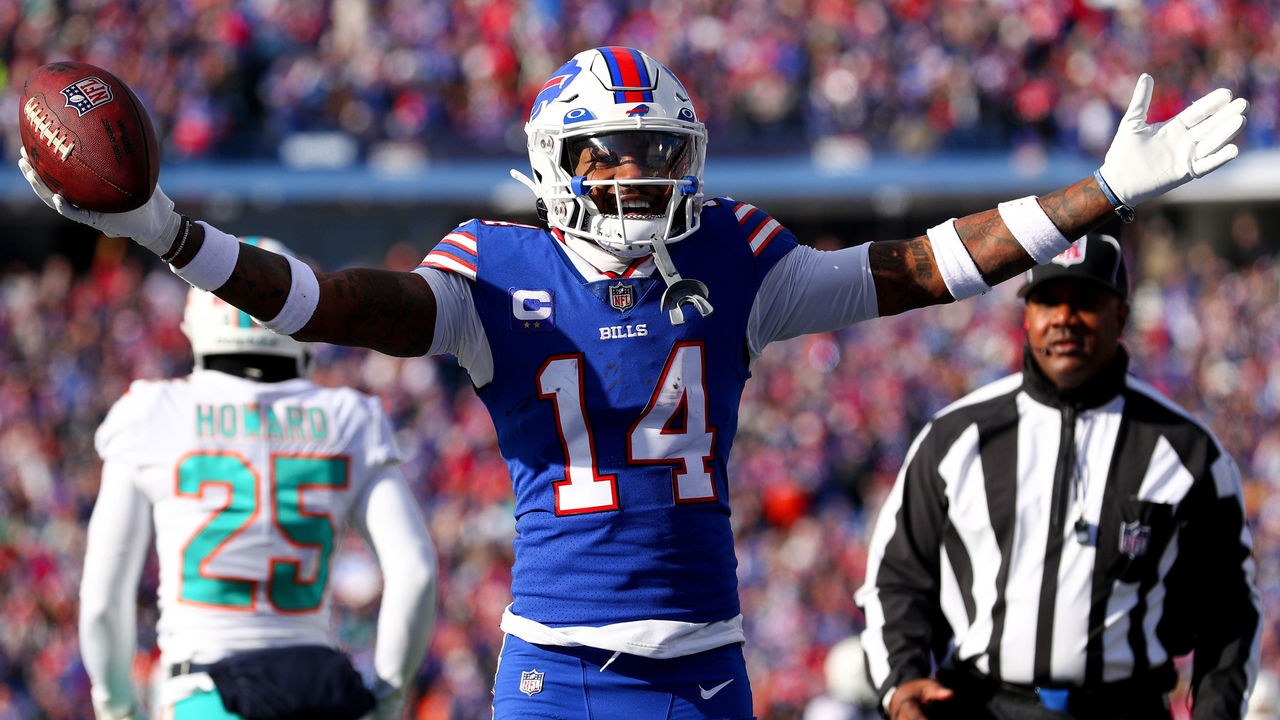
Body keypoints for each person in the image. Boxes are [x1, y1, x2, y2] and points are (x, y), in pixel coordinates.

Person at [25, 47, 1248, 718]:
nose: (639, 178)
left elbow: (920, 266)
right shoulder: (491, 271)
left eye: (660, 155)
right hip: (558, 667)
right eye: (612, 156)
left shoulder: (734, 254)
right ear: (558, 165)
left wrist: (1100, 195)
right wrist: (171, 232)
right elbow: (330, 304)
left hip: (708, 663)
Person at [855, 233, 1261, 720]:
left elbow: (1230, 611)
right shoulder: (956, 437)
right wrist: (901, 684)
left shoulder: (1186, 449)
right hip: (984, 706)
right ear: (1028, 317)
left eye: (1085, 301)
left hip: (1124, 706)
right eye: (1049, 301)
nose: (1064, 318)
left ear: (1122, 317)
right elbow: (897, 577)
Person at [77, 238, 438, 720]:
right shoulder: (349, 416)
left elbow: (103, 598)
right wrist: (389, 699)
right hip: (321, 691)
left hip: (203, 694)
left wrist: (115, 705)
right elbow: (415, 572)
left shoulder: (152, 412)